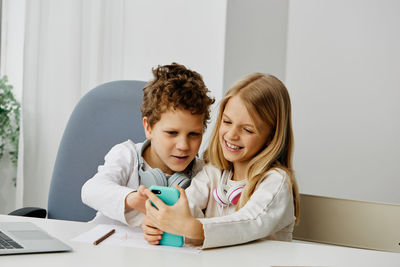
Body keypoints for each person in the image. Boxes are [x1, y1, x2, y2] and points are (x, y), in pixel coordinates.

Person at [141, 73, 300, 248]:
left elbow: (248, 222)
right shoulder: (213, 172)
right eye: (227, 122)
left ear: (271, 137)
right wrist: (162, 223)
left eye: (247, 130)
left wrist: (191, 227)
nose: (232, 135)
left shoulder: (276, 182)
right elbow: (189, 206)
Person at [81, 63, 215, 227]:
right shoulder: (127, 155)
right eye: (172, 133)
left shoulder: (205, 173)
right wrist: (131, 198)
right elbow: (91, 190)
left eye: (194, 134)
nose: (183, 146)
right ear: (148, 127)